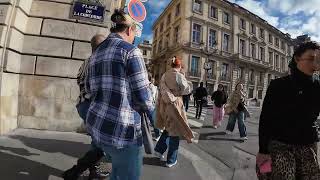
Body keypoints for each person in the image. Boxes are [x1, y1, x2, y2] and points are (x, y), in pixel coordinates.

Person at [85, 9, 154, 180]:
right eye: (135, 34)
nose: (134, 38)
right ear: (129, 30)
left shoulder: (95, 54)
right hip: (123, 132)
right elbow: (144, 100)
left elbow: (88, 89)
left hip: (97, 127)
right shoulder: (131, 51)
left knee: (116, 171)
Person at [256, 41, 320, 180]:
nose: (315, 63)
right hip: (280, 147)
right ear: (297, 58)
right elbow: (266, 120)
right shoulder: (278, 85)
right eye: (311, 58)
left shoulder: (318, 86)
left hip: (308, 146)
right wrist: (263, 150)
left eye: (318, 60)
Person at [63, 34, 110, 180]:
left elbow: (80, 82)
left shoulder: (86, 62)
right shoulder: (100, 61)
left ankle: (92, 172)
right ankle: (79, 171)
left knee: (98, 142)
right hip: (93, 106)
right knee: (106, 144)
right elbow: (100, 88)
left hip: (83, 105)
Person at [154, 56, 194, 168]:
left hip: (165, 105)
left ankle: (158, 150)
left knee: (168, 128)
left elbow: (161, 89)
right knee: (175, 132)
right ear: (179, 66)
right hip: (175, 104)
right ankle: (171, 160)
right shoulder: (179, 76)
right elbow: (186, 89)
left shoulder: (164, 75)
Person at [149, 76, 161, 141]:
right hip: (151, 105)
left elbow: (155, 97)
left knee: (153, 121)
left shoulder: (153, 87)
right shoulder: (153, 87)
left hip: (151, 105)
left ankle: (158, 134)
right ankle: (157, 134)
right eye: (152, 80)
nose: (153, 81)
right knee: (152, 121)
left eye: (153, 80)